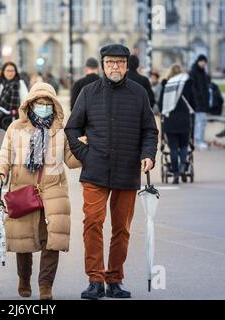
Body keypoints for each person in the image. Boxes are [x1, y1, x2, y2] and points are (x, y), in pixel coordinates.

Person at [65, 44, 158, 300]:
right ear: (103, 65)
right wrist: (85, 155)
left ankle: (115, 279)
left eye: (119, 62)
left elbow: (149, 130)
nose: (114, 66)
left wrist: (148, 155)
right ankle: (95, 279)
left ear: (127, 65)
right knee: (93, 223)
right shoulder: (89, 92)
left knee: (121, 229)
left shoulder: (139, 94)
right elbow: (72, 129)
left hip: (127, 172)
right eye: (109, 62)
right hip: (95, 171)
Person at [0, 82, 81, 300]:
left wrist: (83, 147)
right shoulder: (16, 128)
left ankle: (45, 286)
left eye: (47, 103)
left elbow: (71, 161)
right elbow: (5, 154)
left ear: (54, 104)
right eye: (39, 103)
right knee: (23, 240)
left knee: (54, 239)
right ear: (30, 104)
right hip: (23, 189)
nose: (43, 106)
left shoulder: (61, 130)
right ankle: (24, 278)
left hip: (53, 191)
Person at [158, 64, 197, 184]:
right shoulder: (188, 85)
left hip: (170, 121)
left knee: (173, 148)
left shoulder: (166, 86)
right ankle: (182, 168)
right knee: (184, 146)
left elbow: (160, 105)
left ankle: (175, 173)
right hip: (184, 120)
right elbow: (193, 103)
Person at [189, 54, 210, 150]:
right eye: (203, 62)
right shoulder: (194, 72)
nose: (204, 64)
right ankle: (198, 141)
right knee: (199, 122)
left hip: (203, 102)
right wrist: (198, 98)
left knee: (202, 122)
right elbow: (193, 88)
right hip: (198, 102)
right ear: (199, 61)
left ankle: (199, 140)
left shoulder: (202, 72)